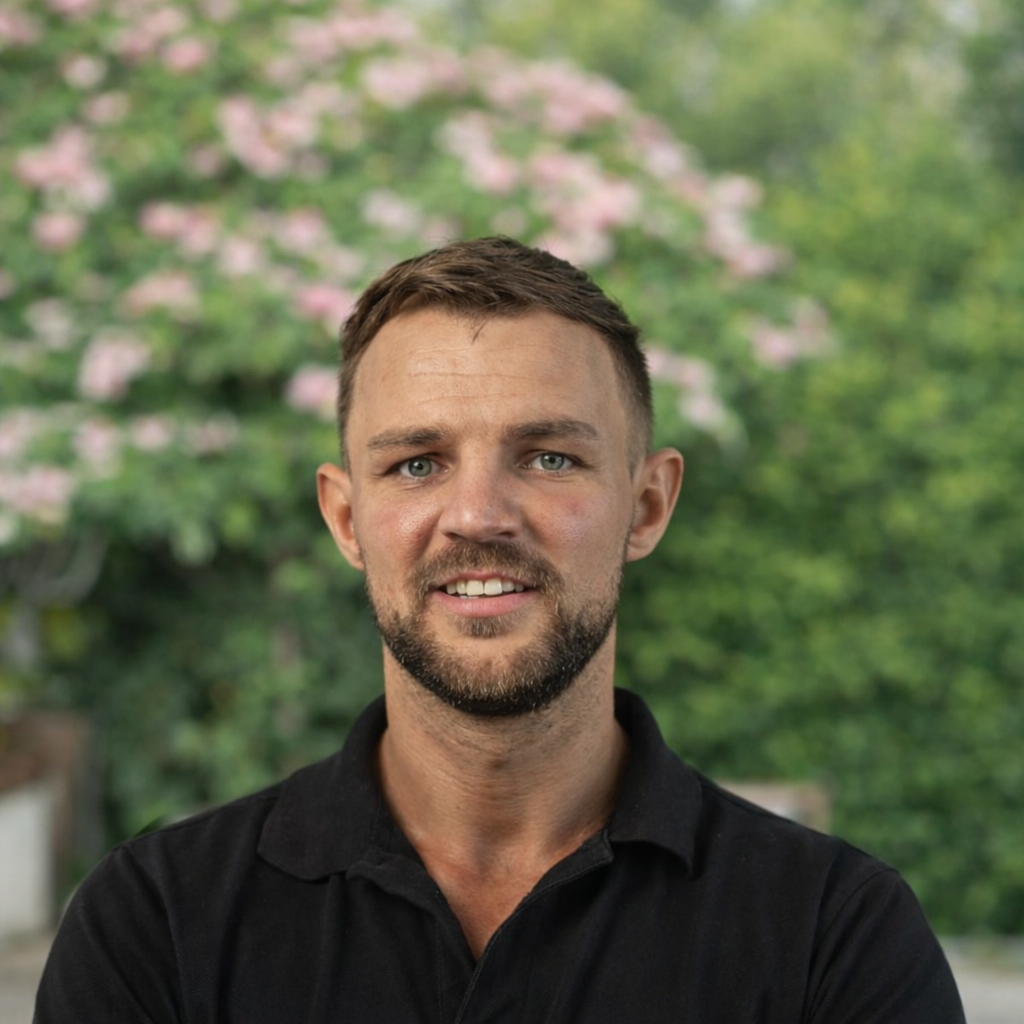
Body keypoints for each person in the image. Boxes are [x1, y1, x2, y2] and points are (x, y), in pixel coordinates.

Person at [35, 237, 964, 1022]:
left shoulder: (832, 938)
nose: (478, 514)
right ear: (347, 519)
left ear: (647, 505)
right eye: (416, 464)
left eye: (550, 456)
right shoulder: (155, 925)